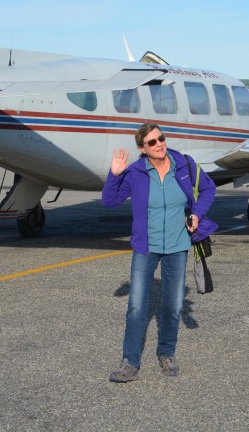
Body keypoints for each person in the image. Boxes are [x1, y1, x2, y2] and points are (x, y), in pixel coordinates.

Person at [102, 122, 216, 382]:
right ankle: (130, 362)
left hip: (178, 246)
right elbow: (109, 201)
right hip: (146, 247)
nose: (159, 144)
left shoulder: (184, 165)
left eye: (161, 138)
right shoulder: (135, 173)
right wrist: (115, 174)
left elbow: (208, 188)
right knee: (136, 307)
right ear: (142, 148)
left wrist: (197, 213)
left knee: (173, 306)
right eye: (152, 142)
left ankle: (167, 353)